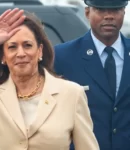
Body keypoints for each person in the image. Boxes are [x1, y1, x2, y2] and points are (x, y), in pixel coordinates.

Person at [0, 8, 99, 150]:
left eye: (27, 45)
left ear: (39, 51)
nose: (21, 53)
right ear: (3, 57)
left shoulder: (71, 93)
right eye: (12, 47)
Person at [54, 0, 130, 149]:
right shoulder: (62, 56)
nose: (109, 16)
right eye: (101, 10)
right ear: (87, 13)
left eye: (115, 10)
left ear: (124, 13)